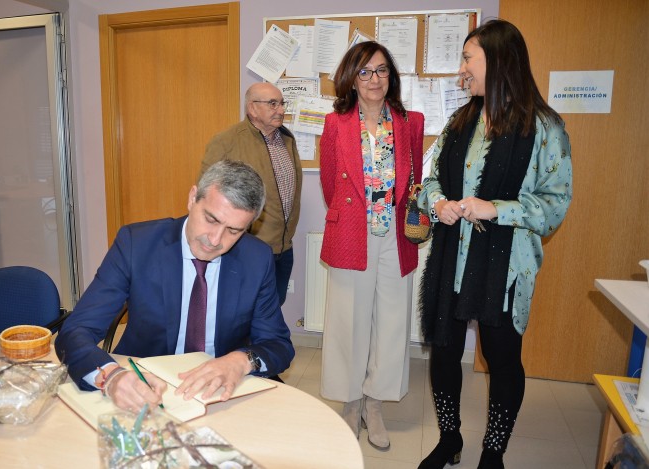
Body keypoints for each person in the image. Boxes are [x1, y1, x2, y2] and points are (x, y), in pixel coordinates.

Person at [416, 20, 573, 469]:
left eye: (469, 57)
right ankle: (449, 439)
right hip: (452, 258)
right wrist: (438, 202)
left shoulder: (544, 127)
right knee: (444, 350)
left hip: (505, 267)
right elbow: (429, 182)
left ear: (499, 60)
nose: (462, 67)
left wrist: (496, 209)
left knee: (502, 357)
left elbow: (555, 204)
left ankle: (494, 452)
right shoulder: (460, 120)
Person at [55, 160, 295, 411]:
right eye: (211, 219)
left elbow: (278, 344)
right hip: (144, 384)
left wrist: (241, 361)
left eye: (233, 231)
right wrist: (112, 377)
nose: (215, 240)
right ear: (193, 199)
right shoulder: (136, 244)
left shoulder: (256, 259)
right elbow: (76, 330)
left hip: (216, 393)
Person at [319, 41, 424, 451]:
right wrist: (354, 219)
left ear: (390, 77)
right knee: (349, 322)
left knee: (393, 322)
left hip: (396, 236)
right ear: (352, 78)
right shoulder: (336, 123)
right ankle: (350, 402)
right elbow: (331, 184)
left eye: (381, 71)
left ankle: (375, 403)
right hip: (352, 233)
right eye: (364, 72)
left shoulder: (410, 122)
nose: (374, 79)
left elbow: (411, 180)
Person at [201, 83, 302, 306]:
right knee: (243, 311)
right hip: (246, 248)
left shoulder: (287, 139)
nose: (281, 110)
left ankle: (264, 343)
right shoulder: (227, 141)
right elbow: (205, 196)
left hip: (283, 247)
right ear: (252, 108)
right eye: (272, 104)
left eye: (282, 103)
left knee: (273, 309)